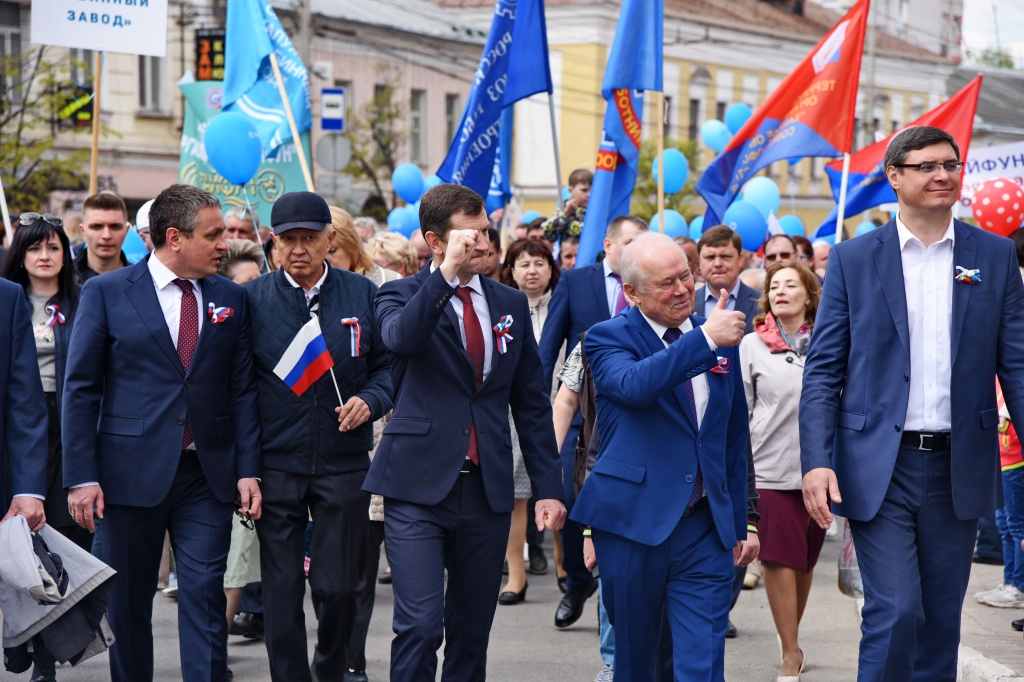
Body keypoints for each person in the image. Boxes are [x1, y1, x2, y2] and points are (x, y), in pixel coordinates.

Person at [800, 125, 1024, 681]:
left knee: (941, 622)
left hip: (960, 465)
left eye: (949, 164)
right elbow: (824, 369)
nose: (941, 174)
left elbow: (1017, 364)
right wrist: (817, 460)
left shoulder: (993, 256)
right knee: (895, 610)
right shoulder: (855, 258)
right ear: (894, 177)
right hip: (879, 465)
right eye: (925, 166)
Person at [365, 183, 566, 681]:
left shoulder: (509, 304)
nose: (481, 244)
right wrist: (445, 274)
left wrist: (548, 489)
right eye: (467, 235)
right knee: (420, 624)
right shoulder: (400, 293)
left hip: (486, 486)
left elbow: (532, 404)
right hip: (416, 486)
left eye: (484, 232)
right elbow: (401, 340)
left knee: (471, 629)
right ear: (435, 241)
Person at [62, 184, 263, 682]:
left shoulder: (231, 297)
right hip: (126, 478)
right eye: (213, 235)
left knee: (205, 596)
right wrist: (81, 476)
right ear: (173, 238)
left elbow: (243, 393)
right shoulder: (105, 293)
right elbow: (81, 389)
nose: (224, 245)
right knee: (128, 608)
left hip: (207, 476)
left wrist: (249, 472)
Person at [571, 232, 753, 681]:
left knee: (702, 663)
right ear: (631, 292)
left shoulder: (717, 337)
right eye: (665, 283)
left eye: (685, 276)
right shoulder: (606, 337)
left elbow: (732, 435)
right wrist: (705, 338)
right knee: (638, 663)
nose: (682, 289)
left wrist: (747, 518)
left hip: (704, 527)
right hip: (633, 525)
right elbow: (634, 385)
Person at [245, 191, 393, 682]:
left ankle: (330, 670)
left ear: (331, 239)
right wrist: (248, 468)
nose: (300, 249)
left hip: (344, 461)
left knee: (339, 587)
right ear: (273, 242)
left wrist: (370, 401)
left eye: (310, 238)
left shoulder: (364, 295)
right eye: (289, 240)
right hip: (277, 464)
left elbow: (389, 369)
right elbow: (240, 389)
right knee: (282, 589)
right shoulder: (253, 300)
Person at [538, 214, 648, 628]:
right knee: (570, 496)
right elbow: (550, 347)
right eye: (631, 242)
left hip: (631, 424)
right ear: (609, 244)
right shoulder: (576, 280)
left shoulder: (652, 289)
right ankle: (577, 582)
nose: (637, 250)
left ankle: (614, 597)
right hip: (584, 418)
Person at [740, 262, 823, 681]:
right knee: (777, 560)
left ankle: (789, 631)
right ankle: (791, 652)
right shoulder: (752, 345)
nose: (781, 291)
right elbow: (741, 410)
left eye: (791, 284)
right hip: (769, 468)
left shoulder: (830, 340)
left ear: (809, 296)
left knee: (805, 561)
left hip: (820, 471)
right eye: (774, 286)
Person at [497, 238, 561, 605]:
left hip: (561, 404)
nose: (532, 270)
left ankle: (565, 565)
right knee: (517, 495)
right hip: (515, 410)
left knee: (559, 487)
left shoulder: (562, 306)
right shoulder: (503, 305)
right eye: (523, 263)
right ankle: (516, 576)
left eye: (539, 263)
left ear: (551, 269)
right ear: (511, 269)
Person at [693, 225, 761, 334]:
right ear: (699, 263)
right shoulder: (687, 304)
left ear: (740, 259)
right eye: (710, 257)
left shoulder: (762, 302)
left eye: (725, 256)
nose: (718, 264)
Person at [328, 206, 402, 286]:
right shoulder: (315, 288)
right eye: (319, 251)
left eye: (332, 250)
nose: (325, 259)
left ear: (352, 245)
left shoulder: (390, 281)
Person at [73, 192, 130, 283]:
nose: (106, 236)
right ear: (83, 230)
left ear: (126, 231)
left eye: (115, 227)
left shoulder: (144, 281)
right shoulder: (62, 279)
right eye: (97, 227)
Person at [543, 169, 592, 243]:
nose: (589, 194)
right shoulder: (563, 208)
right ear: (571, 190)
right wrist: (566, 214)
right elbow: (547, 233)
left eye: (592, 190)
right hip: (570, 253)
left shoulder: (597, 209)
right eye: (584, 190)